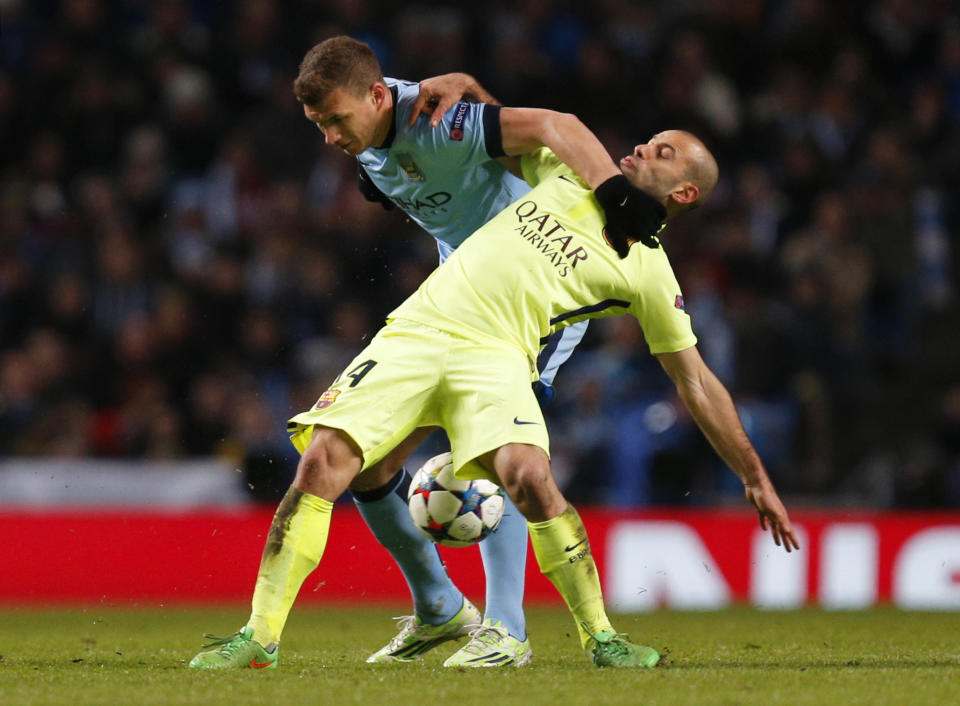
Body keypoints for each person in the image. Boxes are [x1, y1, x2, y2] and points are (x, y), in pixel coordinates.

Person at [190, 127, 800, 670]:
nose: (643, 147)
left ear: (684, 193)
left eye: (663, 153)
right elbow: (490, 121)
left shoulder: (648, 270)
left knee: (530, 477)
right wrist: (447, 92)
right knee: (324, 461)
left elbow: (694, 380)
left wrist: (752, 474)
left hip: (499, 355)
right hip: (419, 330)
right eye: (650, 140)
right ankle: (259, 638)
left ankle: (601, 639)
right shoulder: (568, 171)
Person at [190, 35, 666, 669]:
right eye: (318, 125)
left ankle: (506, 628)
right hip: (449, 298)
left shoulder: (435, 122)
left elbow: (553, 126)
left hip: (525, 303)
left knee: (506, 461)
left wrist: (614, 191)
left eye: (336, 120)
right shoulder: (372, 129)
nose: (329, 137)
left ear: (378, 96)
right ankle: (438, 607)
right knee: (367, 464)